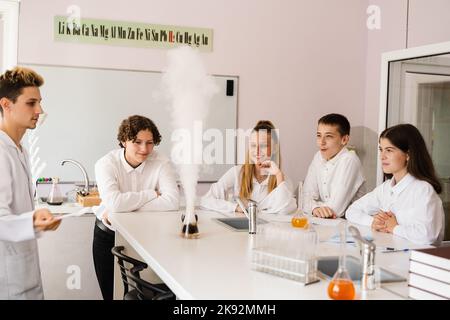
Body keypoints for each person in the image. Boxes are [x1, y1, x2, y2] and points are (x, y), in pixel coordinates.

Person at [93, 115, 179, 300]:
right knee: (111, 295)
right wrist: (151, 194)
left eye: (149, 143)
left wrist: (122, 208)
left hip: (150, 237)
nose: (144, 149)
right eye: (137, 142)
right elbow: (115, 203)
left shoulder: (161, 162)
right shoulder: (106, 164)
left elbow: (172, 201)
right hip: (109, 235)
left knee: (141, 295)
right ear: (124, 141)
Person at [0, 67, 61, 299]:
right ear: (6, 104)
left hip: (24, 274)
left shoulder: (20, 149)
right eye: (31, 103)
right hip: (8, 281)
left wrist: (35, 219)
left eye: (39, 103)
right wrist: (33, 221)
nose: (40, 110)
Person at [346, 124, 444, 245]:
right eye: (381, 149)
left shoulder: (423, 189)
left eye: (389, 150)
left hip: (418, 260)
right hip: (393, 255)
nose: (382, 156)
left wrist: (394, 227)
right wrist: (373, 222)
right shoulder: (386, 188)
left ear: (408, 155)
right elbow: (351, 211)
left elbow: (427, 236)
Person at [200, 120, 297, 214]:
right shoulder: (237, 173)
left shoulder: (283, 180)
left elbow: (285, 210)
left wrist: (278, 174)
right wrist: (236, 208)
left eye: (263, 146)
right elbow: (205, 201)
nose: (257, 151)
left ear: (275, 148)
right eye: (253, 145)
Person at [302, 113, 365, 219]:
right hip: (326, 223)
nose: (321, 142)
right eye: (319, 135)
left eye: (328, 136)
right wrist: (314, 209)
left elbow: (336, 210)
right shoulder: (318, 157)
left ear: (344, 140)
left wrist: (313, 206)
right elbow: (304, 198)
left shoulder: (350, 160)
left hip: (351, 227)